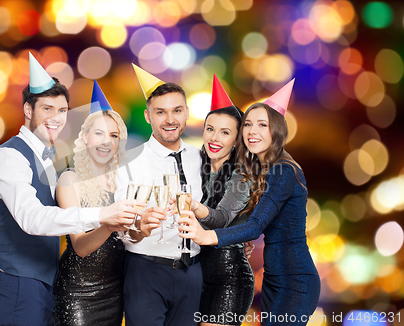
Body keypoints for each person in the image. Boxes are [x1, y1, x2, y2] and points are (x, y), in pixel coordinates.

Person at [0, 54, 142, 326]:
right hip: (18, 283)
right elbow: (31, 219)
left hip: (47, 283)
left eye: (62, 110)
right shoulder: (10, 157)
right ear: (28, 110)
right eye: (47, 109)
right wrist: (102, 215)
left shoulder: (49, 158)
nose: (56, 118)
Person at [179, 79, 321, 326]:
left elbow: (255, 227)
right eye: (248, 124)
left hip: (295, 280)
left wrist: (206, 237)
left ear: (276, 130)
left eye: (262, 125)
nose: (252, 131)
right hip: (274, 278)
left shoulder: (283, 170)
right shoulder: (261, 170)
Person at [114, 64, 203, 326]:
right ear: (147, 116)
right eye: (160, 112)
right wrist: (139, 225)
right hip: (145, 270)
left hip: (193, 272)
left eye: (177, 110)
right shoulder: (128, 162)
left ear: (186, 113)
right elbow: (120, 222)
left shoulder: (203, 160)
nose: (170, 119)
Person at [53, 81, 128, 326]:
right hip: (78, 294)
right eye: (99, 133)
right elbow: (81, 247)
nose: (106, 142)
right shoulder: (69, 180)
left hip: (115, 293)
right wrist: (109, 224)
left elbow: (132, 239)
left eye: (113, 135)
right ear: (85, 137)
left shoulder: (123, 184)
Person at [194, 75, 254, 326]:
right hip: (193, 274)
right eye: (210, 129)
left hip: (228, 277)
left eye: (225, 132)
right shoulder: (194, 163)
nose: (214, 138)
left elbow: (220, 219)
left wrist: (188, 206)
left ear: (237, 139)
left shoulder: (242, 175)